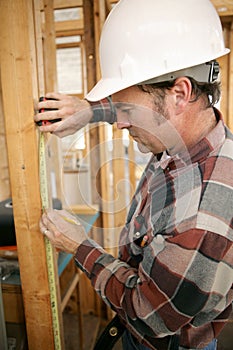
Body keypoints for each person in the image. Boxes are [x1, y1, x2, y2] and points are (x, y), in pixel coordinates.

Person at [34, 0, 233, 349]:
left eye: (127, 110)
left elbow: (148, 314)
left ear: (180, 94)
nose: (121, 122)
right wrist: (91, 111)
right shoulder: (183, 139)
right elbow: (145, 106)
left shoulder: (204, 212)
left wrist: (77, 245)